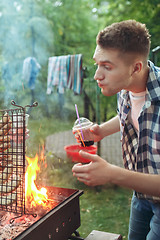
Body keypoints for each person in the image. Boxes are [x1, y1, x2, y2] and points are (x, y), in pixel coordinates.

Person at [71, 20, 160, 239]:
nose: (97, 75)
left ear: (136, 67)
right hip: (140, 196)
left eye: (107, 67)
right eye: (97, 64)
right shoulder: (126, 86)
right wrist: (99, 131)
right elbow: (129, 114)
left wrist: (112, 174)